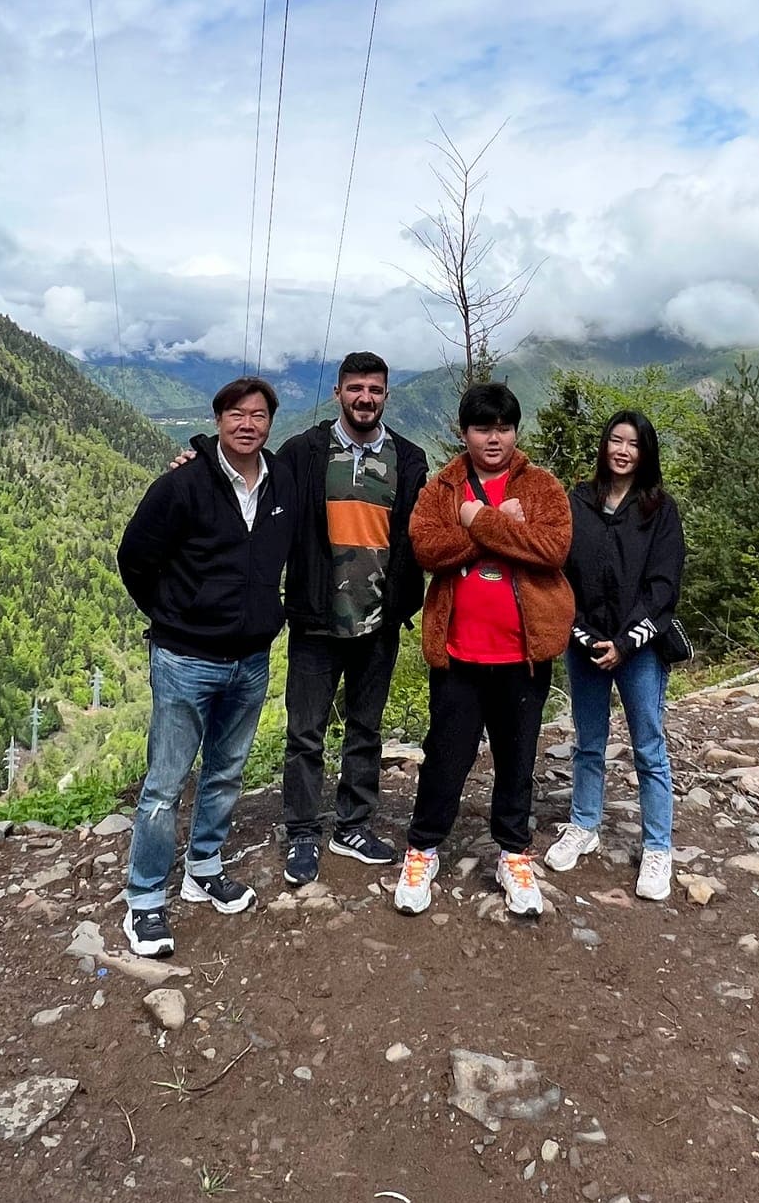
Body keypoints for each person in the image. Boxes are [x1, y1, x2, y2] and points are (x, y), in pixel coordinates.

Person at [114, 376, 297, 957]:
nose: (248, 424)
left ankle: (204, 868)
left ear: (270, 424)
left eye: (259, 415)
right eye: (236, 414)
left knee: (225, 772)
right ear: (218, 420)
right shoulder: (183, 484)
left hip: (250, 659)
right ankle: (145, 899)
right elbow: (134, 557)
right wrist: (173, 616)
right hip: (185, 659)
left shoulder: (282, 483)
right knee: (165, 785)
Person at [394, 381, 573, 920]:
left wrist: (476, 519)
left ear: (515, 431)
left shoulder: (541, 487)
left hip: (523, 655)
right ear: (464, 432)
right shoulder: (443, 487)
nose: (493, 439)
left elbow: (553, 548)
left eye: (503, 428)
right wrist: (495, 525)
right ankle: (422, 849)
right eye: (482, 428)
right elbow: (427, 548)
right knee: (446, 757)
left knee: (518, 759)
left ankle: (514, 853)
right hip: (459, 655)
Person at [270, 352, 429, 885]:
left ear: (386, 395)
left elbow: (422, 531)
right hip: (316, 620)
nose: (366, 398)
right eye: (356, 388)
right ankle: (302, 832)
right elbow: (255, 491)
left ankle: (353, 825)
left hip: (379, 621)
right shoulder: (305, 452)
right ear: (338, 392)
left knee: (366, 729)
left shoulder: (409, 459)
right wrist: (197, 460)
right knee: (305, 733)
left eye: (375, 389)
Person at [545, 410, 686, 901]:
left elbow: (664, 587)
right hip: (585, 643)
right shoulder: (578, 501)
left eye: (634, 444)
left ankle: (658, 847)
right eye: (616, 440)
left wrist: (626, 643)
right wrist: (583, 636)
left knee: (648, 747)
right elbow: (559, 573)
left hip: (639, 649)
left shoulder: (659, 509)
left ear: (646, 453)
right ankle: (584, 824)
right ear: (604, 445)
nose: (623, 451)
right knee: (588, 742)